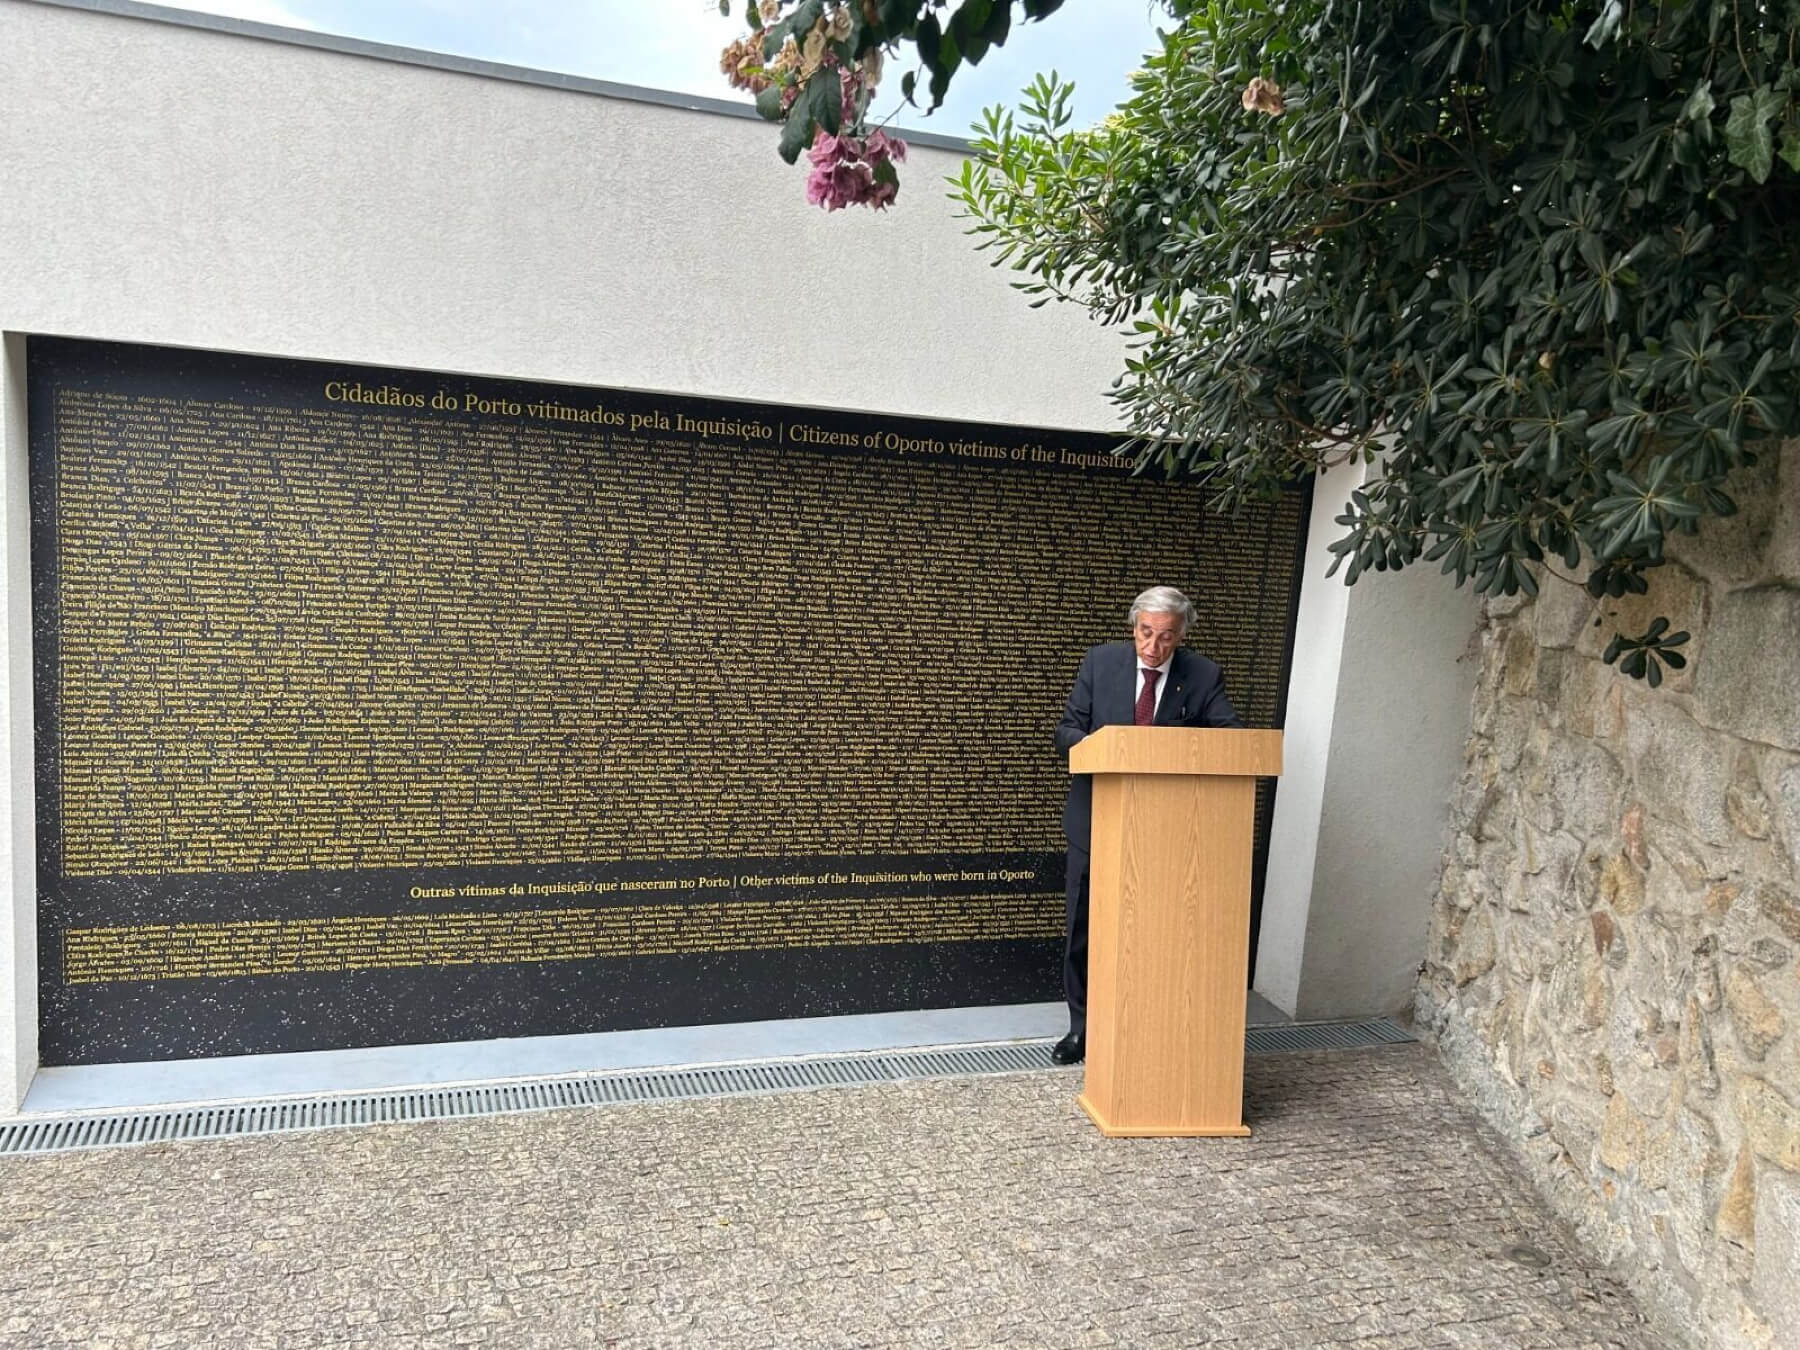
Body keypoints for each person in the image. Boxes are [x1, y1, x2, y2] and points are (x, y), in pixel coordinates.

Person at [1050, 585, 1244, 1065]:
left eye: (1166, 638)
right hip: (1098, 821)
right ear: (1133, 626)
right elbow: (1067, 730)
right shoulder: (1100, 662)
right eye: (1145, 633)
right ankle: (1081, 1029)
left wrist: (1175, 743)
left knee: (1154, 931)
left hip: (1168, 833)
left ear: (1181, 637)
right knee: (1083, 930)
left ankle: (1144, 1026)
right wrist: (1109, 746)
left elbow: (1233, 740)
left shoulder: (1203, 675)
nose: (1153, 648)